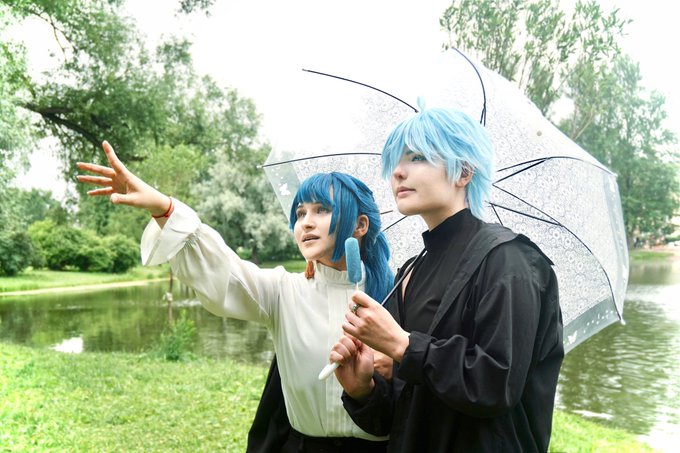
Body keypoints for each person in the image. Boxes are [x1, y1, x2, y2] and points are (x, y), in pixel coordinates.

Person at [76, 141, 394, 452]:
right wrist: (164, 208)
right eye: (300, 213)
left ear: (360, 225)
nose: (306, 222)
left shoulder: (397, 295)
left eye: (322, 210)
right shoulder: (284, 290)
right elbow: (225, 272)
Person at [329, 107, 565, 452]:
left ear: (464, 172)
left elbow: (497, 386)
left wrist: (403, 346)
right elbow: (401, 417)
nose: (398, 172)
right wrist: (363, 389)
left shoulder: (509, 261)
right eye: (396, 161)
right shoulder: (410, 272)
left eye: (417, 157)